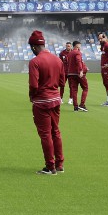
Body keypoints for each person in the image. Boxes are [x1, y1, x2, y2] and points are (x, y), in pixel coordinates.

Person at [27, 30, 65, 175]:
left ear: (34, 47)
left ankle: (50, 166)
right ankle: (60, 164)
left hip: (42, 102)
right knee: (56, 132)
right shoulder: (57, 59)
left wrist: (32, 96)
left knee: (45, 134)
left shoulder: (35, 62)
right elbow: (62, 82)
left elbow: (34, 85)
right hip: (56, 100)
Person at [66, 41, 89, 111]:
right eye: (80, 45)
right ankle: (82, 105)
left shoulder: (69, 54)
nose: (80, 47)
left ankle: (75, 107)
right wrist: (81, 70)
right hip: (78, 74)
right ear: (77, 46)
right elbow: (78, 61)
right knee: (85, 88)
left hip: (70, 74)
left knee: (74, 90)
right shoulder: (77, 52)